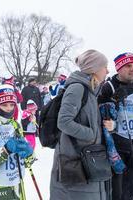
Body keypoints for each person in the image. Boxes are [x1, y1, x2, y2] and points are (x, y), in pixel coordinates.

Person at [50, 49, 112, 199]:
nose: (108, 70)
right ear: (95, 69)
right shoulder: (77, 88)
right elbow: (64, 121)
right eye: (105, 66)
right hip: (74, 159)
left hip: (87, 157)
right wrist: (91, 134)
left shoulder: (91, 90)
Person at [98, 52, 133, 200]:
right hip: (118, 146)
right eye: (128, 66)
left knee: (132, 189)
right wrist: (115, 99)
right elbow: (100, 112)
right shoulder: (109, 86)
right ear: (119, 69)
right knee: (116, 191)